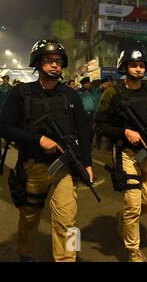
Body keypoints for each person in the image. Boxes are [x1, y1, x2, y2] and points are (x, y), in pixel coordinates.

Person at [0, 39, 93, 262]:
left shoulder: (71, 95)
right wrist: (37, 139)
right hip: (34, 166)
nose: (54, 65)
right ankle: (24, 253)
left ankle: (69, 257)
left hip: (66, 166)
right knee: (30, 217)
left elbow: (83, 131)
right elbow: (3, 127)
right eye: (49, 60)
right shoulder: (22, 93)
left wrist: (87, 163)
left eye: (58, 62)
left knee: (69, 220)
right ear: (37, 63)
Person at [96, 49, 147, 262]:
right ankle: (133, 250)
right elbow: (99, 125)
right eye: (134, 65)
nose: (139, 68)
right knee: (133, 204)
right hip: (126, 153)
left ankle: (123, 219)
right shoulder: (112, 94)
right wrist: (124, 132)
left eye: (142, 65)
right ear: (124, 67)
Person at [77, 77, 101, 144]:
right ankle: (85, 142)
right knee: (84, 130)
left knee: (92, 130)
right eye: (88, 83)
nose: (90, 85)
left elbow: (99, 90)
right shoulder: (79, 92)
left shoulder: (92, 91)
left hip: (92, 114)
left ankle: (89, 142)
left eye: (89, 83)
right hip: (83, 114)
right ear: (84, 84)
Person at [95, 77, 112, 150]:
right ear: (102, 84)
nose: (107, 85)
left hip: (109, 114)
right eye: (105, 84)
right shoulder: (97, 92)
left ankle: (109, 146)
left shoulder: (110, 91)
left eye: (108, 84)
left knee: (110, 129)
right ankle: (98, 145)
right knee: (99, 130)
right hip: (99, 113)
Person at [0, 74, 13, 156]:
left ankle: (5, 140)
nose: (5, 80)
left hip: (7, 108)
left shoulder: (11, 88)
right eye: (4, 79)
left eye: (6, 79)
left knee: (6, 124)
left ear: (8, 80)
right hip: (0, 107)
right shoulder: (0, 87)